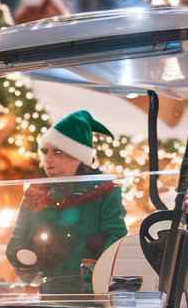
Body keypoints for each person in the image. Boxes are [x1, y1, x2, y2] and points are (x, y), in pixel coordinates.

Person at [7, 110, 127, 295]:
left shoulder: (105, 191)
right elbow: (16, 241)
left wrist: (95, 265)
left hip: (91, 294)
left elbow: (116, 238)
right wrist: (25, 257)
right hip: (49, 292)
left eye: (58, 152)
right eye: (44, 151)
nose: (48, 159)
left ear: (78, 156)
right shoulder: (36, 193)